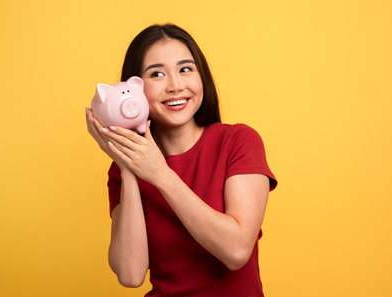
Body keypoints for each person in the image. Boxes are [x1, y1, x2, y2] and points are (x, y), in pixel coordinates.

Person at [86, 23, 277, 297]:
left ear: (202, 78)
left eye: (185, 69)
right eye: (157, 74)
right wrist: (128, 164)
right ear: (134, 88)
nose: (175, 86)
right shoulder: (124, 170)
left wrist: (160, 174)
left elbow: (236, 251)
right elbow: (130, 274)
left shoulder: (238, 141)